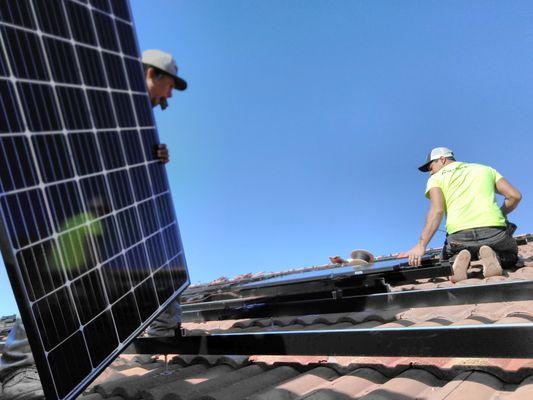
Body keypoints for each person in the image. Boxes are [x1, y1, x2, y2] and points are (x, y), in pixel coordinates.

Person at [0, 49, 188, 399]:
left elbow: (122, 174)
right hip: (71, 207)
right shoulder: (101, 96)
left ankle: (158, 326)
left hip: (108, 217)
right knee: (54, 280)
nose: (170, 95)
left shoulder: (135, 123)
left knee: (138, 267)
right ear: (151, 75)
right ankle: (18, 372)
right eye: (169, 85)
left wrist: (153, 158)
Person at [399, 147, 522, 282]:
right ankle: (497, 257)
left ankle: (455, 260)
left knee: (445, 260)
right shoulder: (485, 169)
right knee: (512, 254)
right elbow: (514, 196)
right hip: (493, 233)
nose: (430, 172)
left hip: (460, 238)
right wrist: (501, 213)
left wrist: (421, 245)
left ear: (442, 159)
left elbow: (436, 211)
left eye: (430, 167)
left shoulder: (436, 178)